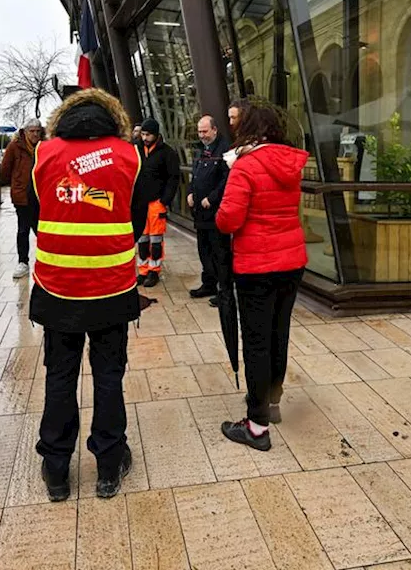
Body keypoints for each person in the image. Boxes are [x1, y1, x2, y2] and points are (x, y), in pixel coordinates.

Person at [30, 88, 141, 501]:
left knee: (60, 375)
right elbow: (135, 208)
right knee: (109, 376)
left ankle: (56, 469)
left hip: (58, 286)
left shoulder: (45, 154)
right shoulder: (130, 156)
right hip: (112, 286)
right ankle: (109, 465)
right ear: (114, 119)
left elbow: (35, 208)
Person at [214, 101, 307, 451]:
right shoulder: (290, 164)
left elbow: (228, 220)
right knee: (278, 333)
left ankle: (255, 426)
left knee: (255, 342)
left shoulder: (246, 167)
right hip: (291, 261)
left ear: (249, 129)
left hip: (257, 266)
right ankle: (272, 402)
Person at [131, 118, 179, 288]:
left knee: (156, 240)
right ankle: (143, 271)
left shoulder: (167, 153)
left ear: (156, 134)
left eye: (148, 134)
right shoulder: (136, 149)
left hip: (156, 202)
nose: (144, 137)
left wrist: (165, 200)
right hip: (140, 203)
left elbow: (173, 178)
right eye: (142, 134)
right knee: (142, 239)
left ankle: (154, 271)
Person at [187, 115, 230, 300]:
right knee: (204, 250)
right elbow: (194, 174)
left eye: (205, 131)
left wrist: (211, 198)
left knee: (219, 252)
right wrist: (190, 192)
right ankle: (208, 283)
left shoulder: (224, 150)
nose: (202, 135)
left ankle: (224, 290)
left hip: (215, 211)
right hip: (200, 212)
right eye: (199, 131)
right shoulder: (201, 149)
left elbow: (226, 179)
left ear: (214, 130)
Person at [0, 118, 44, 278]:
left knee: (42, 230)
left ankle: (45, 260)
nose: (35, 134)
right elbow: (5, 169)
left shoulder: (45, 146)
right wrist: (13, 183)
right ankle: (23, 262)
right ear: (25, 132)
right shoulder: (15, 146)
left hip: (41, 196)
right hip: (22, 195)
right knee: (23, 229)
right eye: (32, 131)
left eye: (38, 131)